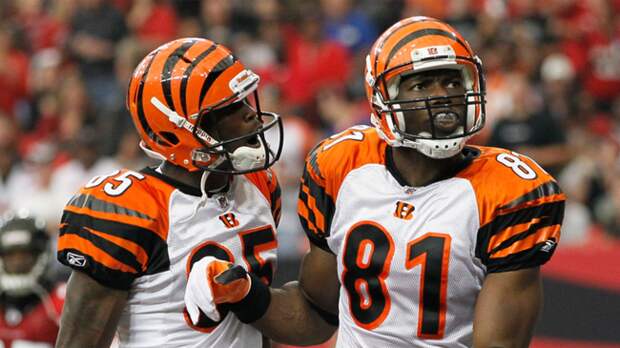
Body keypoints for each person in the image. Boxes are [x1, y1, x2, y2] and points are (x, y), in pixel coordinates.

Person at [185, 17, 566, 347]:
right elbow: (315, 314)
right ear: (382, 97)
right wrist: (245, 294)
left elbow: (498, 344)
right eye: (421, 85)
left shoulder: (510, 191)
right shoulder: (342, 163)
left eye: (451, 81)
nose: (442, 98)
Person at [55, 38, 284, 347]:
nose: (251, 115)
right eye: (229, 108)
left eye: (243, 100)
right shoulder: (132, 209)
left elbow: (264, 326)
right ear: (174, 129)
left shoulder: (259, 185)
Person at [0, 212, 64, 347]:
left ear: (42, 255)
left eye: (25, 255)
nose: (17, 263)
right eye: (10, 256)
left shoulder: (61, 304)